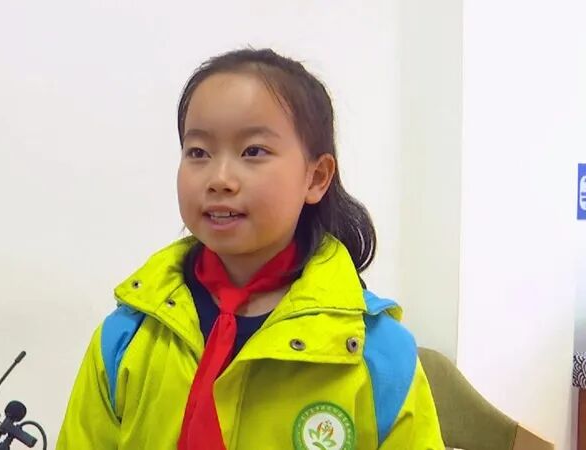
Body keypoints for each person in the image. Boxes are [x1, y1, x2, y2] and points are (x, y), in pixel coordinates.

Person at [56, 48, 444, 450]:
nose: (220, 178)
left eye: (253, 151)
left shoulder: (376, 354)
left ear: (316, 177)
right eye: (198, 152)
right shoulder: (127, 337)